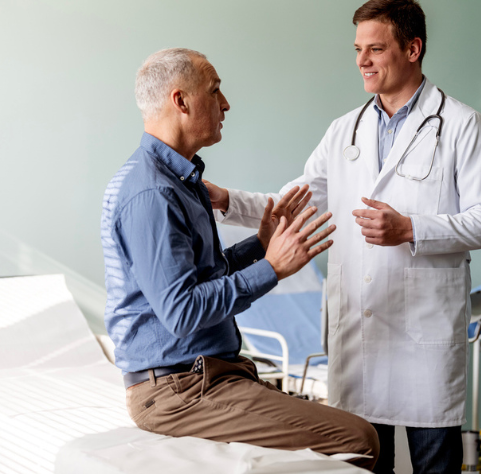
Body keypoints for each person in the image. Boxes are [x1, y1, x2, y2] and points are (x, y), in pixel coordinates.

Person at [205, 0, 481, 473]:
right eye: (357, 49)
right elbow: (292, 202)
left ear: (413, 49)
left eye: (375, 49)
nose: (361, 62)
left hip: (422, 333)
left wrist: (411, 228)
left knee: (434, 463)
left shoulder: (462, 125)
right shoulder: (344, 130)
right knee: (360, 461)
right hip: (360, 331)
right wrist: (227, 200)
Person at [101, 48, 380, 470]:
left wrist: (260, 245)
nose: (226, 103)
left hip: (209, 375)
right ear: (181, 101)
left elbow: (203, 276)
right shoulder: (152, 193)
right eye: (215, 92)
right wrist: (272, 269)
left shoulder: (182, 180)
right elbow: (181, 311)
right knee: (359, 438)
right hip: (179, 391)